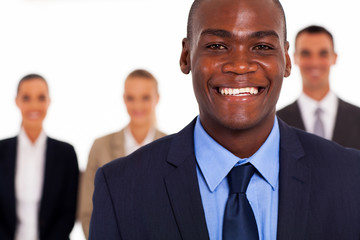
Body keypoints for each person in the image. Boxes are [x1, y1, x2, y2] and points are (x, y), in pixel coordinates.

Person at [89, 0, 360, 239]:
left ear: (287, 60)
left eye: (262, 46)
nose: (240, 65)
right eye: (217, 46)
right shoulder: (120, 188)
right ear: (186, 56)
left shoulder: (349, 177)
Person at [79, 69, 166, 239]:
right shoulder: (100, 147)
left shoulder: (173, 148)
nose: (137, 106)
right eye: (131, 98)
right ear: (124, 99)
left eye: (145, 97)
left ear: (157, 98)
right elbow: (87, 212)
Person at [0, 74, 79, 240]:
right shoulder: (1, 151)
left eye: (41, 98)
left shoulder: (66, 154)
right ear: (17, 101)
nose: (34, 105)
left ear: (49, 101)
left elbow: (68, 212)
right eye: (27, 98)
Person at [277, 25, 360, 149]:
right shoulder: (278, 121)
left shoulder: (357, 118)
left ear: (334, 58)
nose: (314, 62)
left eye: (323, 53)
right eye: (306, 54)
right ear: (294, 58)